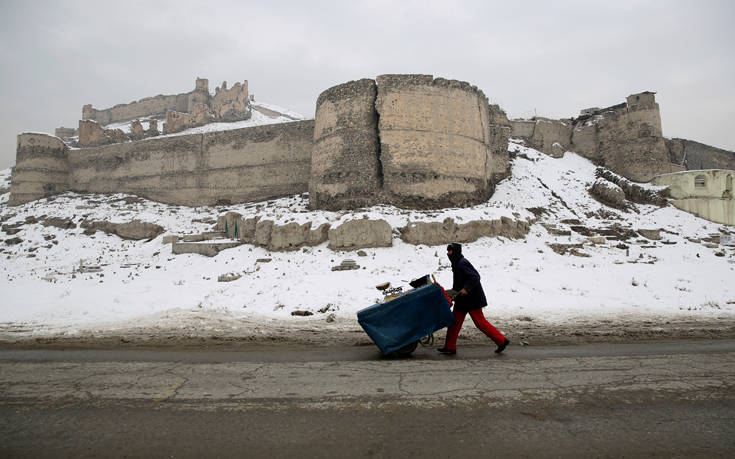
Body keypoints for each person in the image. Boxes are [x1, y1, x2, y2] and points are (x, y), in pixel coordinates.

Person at [438, 243, 509, 355]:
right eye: (448, 251)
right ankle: (450, 347)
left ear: (455, 251)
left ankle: (502, 341)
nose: (448, 253)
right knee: (454, 322)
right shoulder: (456, 263)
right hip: (462, 299)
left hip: (472, 299)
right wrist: (452, 292)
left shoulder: (462, 263)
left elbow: (475, 276)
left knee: (480, 323)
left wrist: (466, 289)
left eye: (450, 251)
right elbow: (460, 282)